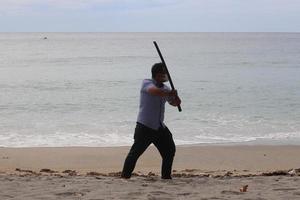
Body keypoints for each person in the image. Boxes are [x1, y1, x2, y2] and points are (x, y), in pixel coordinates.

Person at [121, 62, 181, 179]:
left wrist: (176, 96)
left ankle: (166, 177)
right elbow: (154, 92)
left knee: (169, 150)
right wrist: (170, 93)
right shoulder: (146, 83)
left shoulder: (166, 88)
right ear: (157, 75)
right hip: (145, 127)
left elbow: (175, 103)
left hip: (159, 127)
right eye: (163, 74)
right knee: (135, 153)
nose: (165, 76)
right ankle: (125, 176)